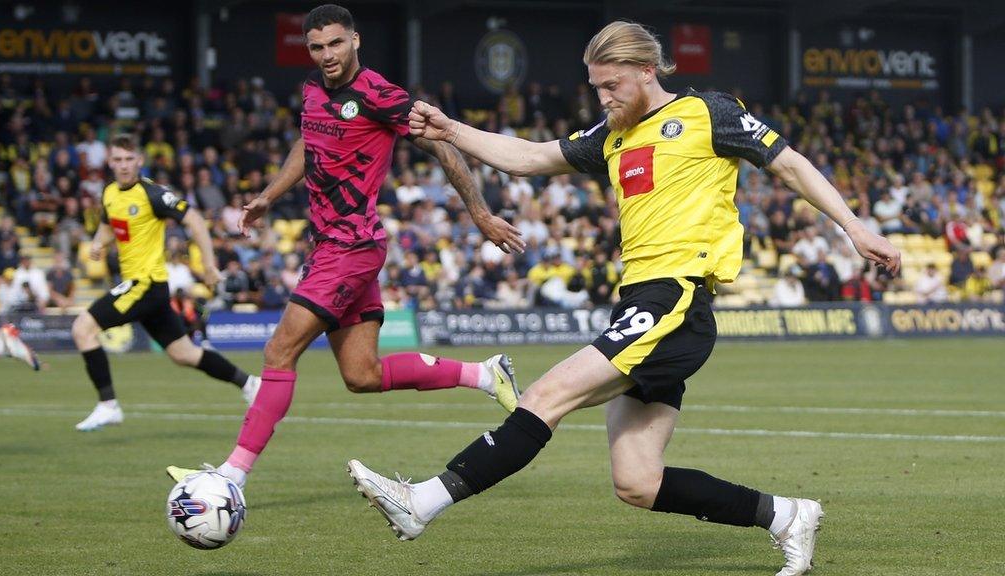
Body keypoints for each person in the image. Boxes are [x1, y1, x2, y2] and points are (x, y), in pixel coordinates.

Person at [346, 21, 901, 576]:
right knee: (637, 481)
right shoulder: (613, 135)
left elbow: (790, 163)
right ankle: (786, 515)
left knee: (546, 395)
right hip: (639, 302)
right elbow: (530, 157)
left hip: (675, 300)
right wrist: (450, 129)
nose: (604, 97)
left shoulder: (709, 113)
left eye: (612, 85)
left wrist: (854, 227)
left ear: (646, 71)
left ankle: (423, 501)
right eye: (596, 88)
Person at [166, 4, 525, 488]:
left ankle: (230, 478)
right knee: (361, 375)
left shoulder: (378, 94)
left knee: (278, 352)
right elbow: (307, 142)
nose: (327, 54)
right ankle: (484, 375)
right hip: (332, 246)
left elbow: (443, 145)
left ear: (355, 40)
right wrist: (269, 197)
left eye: (336, 43)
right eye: (317, 47)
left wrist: (480, 214)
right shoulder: (313, 90)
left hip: (350, 248)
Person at [70, 134, 260, 432]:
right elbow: (110, 226)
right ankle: (250, 384)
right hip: (147, 289)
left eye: (128, 159)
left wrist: (209, 265)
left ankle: (108, 405)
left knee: (83, 328)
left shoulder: (153, 195)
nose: (123, 165)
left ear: (139, 161)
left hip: (144, 283)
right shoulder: (109, 194)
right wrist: (97, 243)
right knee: (184, 354)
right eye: (117, 159)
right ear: (109, 162)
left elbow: (195, 220)